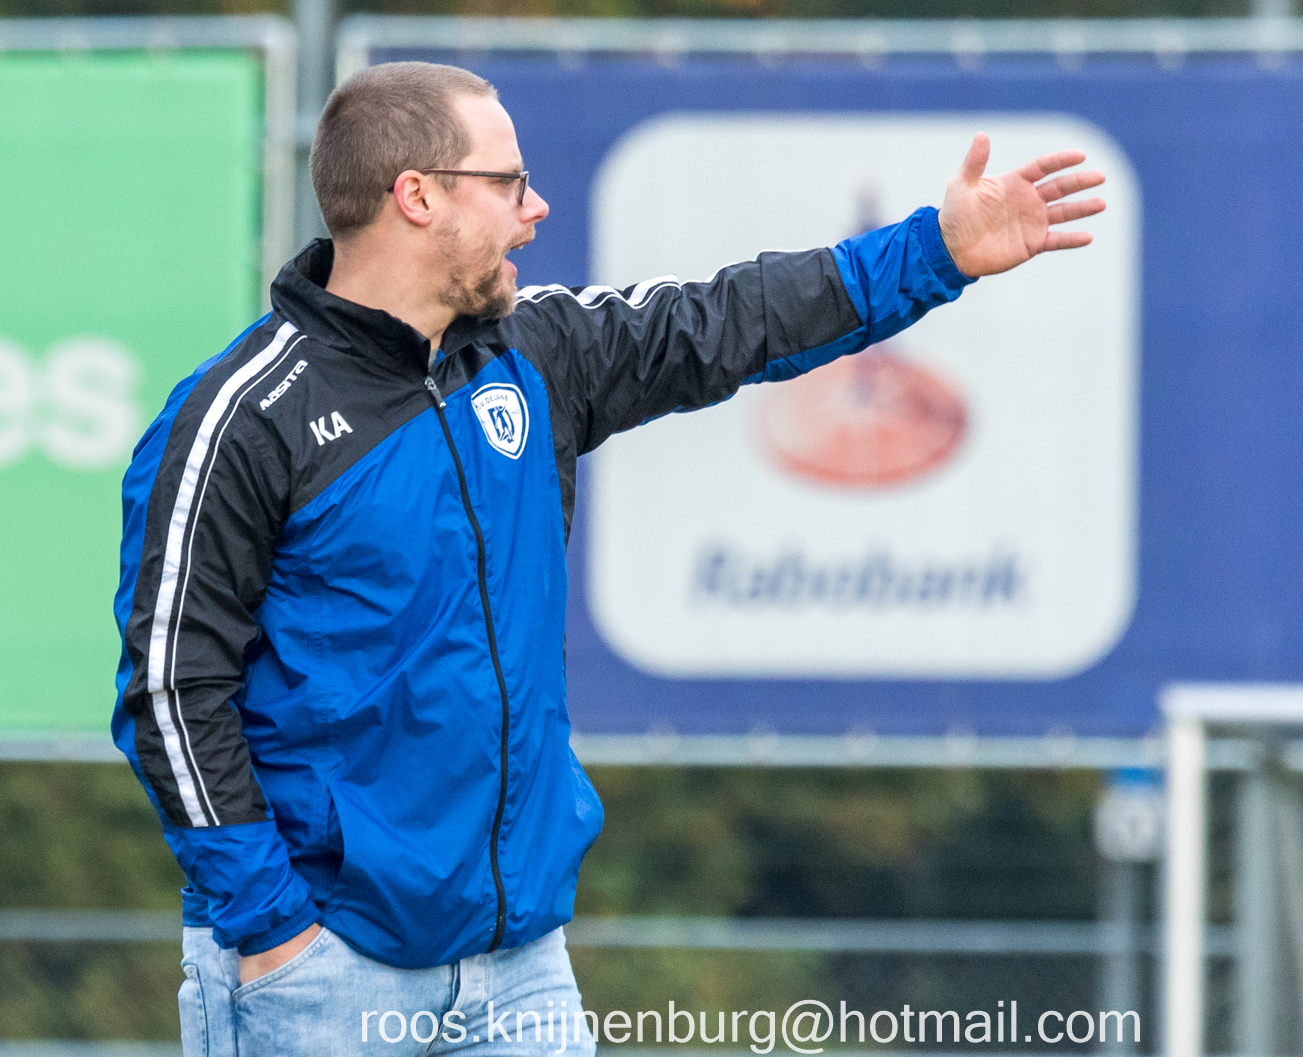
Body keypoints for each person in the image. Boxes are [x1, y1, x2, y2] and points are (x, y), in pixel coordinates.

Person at [112, 60, 1104, 1056]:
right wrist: (273, 926)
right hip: (321, 968)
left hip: (519, 966)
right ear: (416, 197)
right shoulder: (241, 419)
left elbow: (733, 318)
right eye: (508, 182)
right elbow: (169, 688)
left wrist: (935, 251)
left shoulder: (534, 353)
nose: (534, 207)